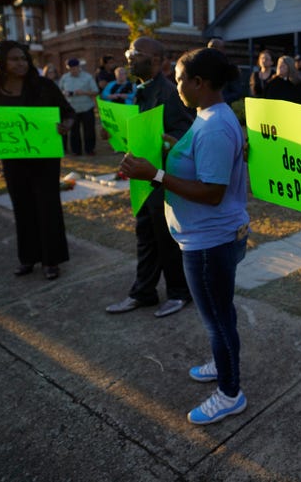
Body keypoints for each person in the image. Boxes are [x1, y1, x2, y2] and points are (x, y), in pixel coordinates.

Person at [119, 47, 250, 425]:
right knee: (219, 313)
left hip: (209, 241)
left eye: (178, 79)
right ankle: (221, 360)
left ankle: (230, 393)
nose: (175, 86)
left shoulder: (213, 126)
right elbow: (199, 163)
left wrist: (155, 175)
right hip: (207, 238)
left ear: (199, 82)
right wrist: (169, 146)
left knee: (217, 318)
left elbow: (212, 193)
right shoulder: (208, 116)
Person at [105, 36, 194, 318]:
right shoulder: (139, 89)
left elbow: (185, 132)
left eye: (135, 52)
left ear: (155, 60)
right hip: (143, 178)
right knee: (145, 236)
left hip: (161, 178)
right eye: (128, 51)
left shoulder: (168, 92)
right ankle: (143, 292)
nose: (128, 56)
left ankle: (179, 293)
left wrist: (168, 142)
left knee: (166, 239)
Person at [0, 41, 74, 280]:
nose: (21, 63)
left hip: (44, 157)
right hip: (13, 158)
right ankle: (28, 258)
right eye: (14, 59)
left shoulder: (43, 85)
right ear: (0, 62)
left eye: (23, 58)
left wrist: (65, 126)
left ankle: (51, 260)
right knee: (22, 206)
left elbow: (68, 113)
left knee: (47, 205)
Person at [58, 58, 98, 156]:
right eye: (71, 68)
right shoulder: (64, 78)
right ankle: (76, 151)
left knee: (89, 130)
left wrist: (83, 92)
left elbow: (95, 91)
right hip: (72, 108)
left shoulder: (88, 77)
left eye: (75, 68)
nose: (73, 70)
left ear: (78, 67)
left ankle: (90, 149)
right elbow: (59, 91)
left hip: (86, 107)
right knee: (74, 131)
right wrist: (64, 93)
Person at [207, 38, 247, 105]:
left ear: (222, 50)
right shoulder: (203, 67)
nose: (211, 50)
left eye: (215, 47)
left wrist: (219, 99)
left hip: (222, 108)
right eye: (210, 48)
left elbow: (237, 92)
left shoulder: (230, 69)